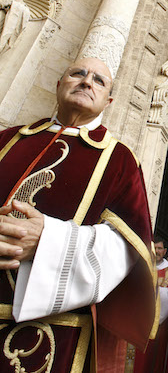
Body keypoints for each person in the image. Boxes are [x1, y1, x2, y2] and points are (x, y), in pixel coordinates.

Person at [0, 57, 157, 372]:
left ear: (108, 101)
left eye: (99, 80)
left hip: (53, 331)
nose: (87, 81)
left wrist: (47, 241)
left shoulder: (120, 160)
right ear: (59, 85)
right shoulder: (8, 140)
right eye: (78, 73)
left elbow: (128, 250)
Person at [134, 236, 168, 373]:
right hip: (138, 321)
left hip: (161, 326)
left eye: (159, 248)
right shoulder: (142, 265)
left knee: (154, 359)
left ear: (165, 251)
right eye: (154, 248)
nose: (157, 251)